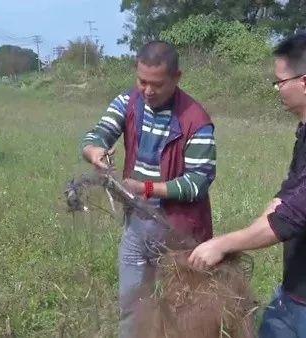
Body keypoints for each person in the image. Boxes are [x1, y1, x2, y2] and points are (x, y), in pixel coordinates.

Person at [189, 32, 306, 338]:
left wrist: (223, 244)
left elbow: (289, 219)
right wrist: (241, 236)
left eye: (280, 81)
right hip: (293, 294)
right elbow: (285, 199)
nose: (277, 89)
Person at [80, 41, 217, 337]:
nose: (148, 91)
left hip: (179, 232)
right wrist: (94, 151)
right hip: (137, 225)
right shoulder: (127, 102)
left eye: (157, 84)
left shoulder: (196, 120)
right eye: (142, 81)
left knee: (183, 310)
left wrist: (148, 188)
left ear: (177, 78)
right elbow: (99, 133)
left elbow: (199, 181)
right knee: (131, 303)